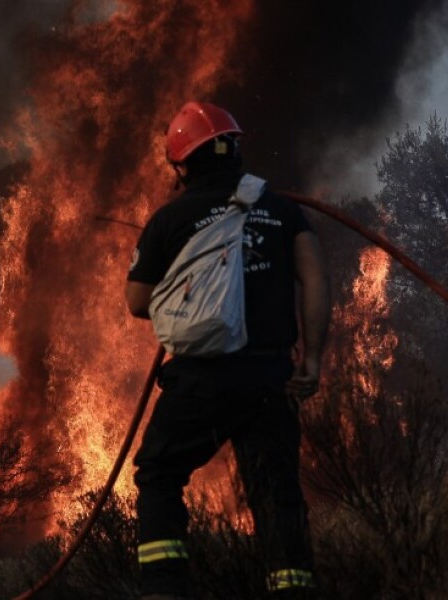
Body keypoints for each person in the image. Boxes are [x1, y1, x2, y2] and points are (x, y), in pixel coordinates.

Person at [125, 101, 330, 600]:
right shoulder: (282, 210)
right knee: (276, 491)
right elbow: (316, 282)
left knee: (159, 472)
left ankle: (165, 590)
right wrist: (313, 359)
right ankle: (292, 590)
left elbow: (138, 302)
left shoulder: (170, 218)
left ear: (182, 164)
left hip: (200, 379)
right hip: (269, 377)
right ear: (234, 149)